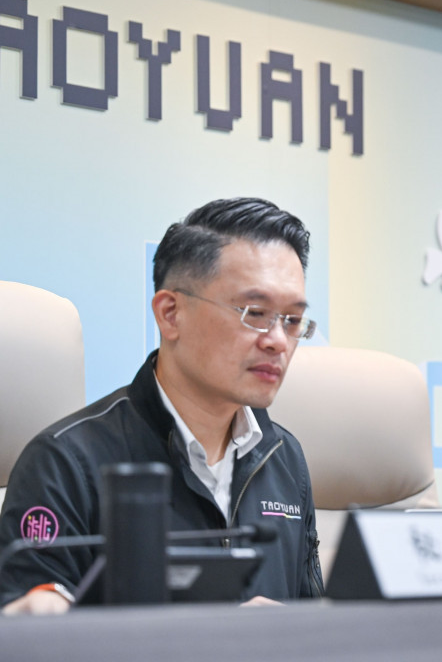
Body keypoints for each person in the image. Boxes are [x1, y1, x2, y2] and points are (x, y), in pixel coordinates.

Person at [0, 197, 324, 615]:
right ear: (171, 314)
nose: (278, 340)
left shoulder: (285, 458)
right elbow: (31, 631)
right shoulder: (66, 463)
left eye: (292, 320)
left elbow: (317, 627)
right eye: (255, 312)